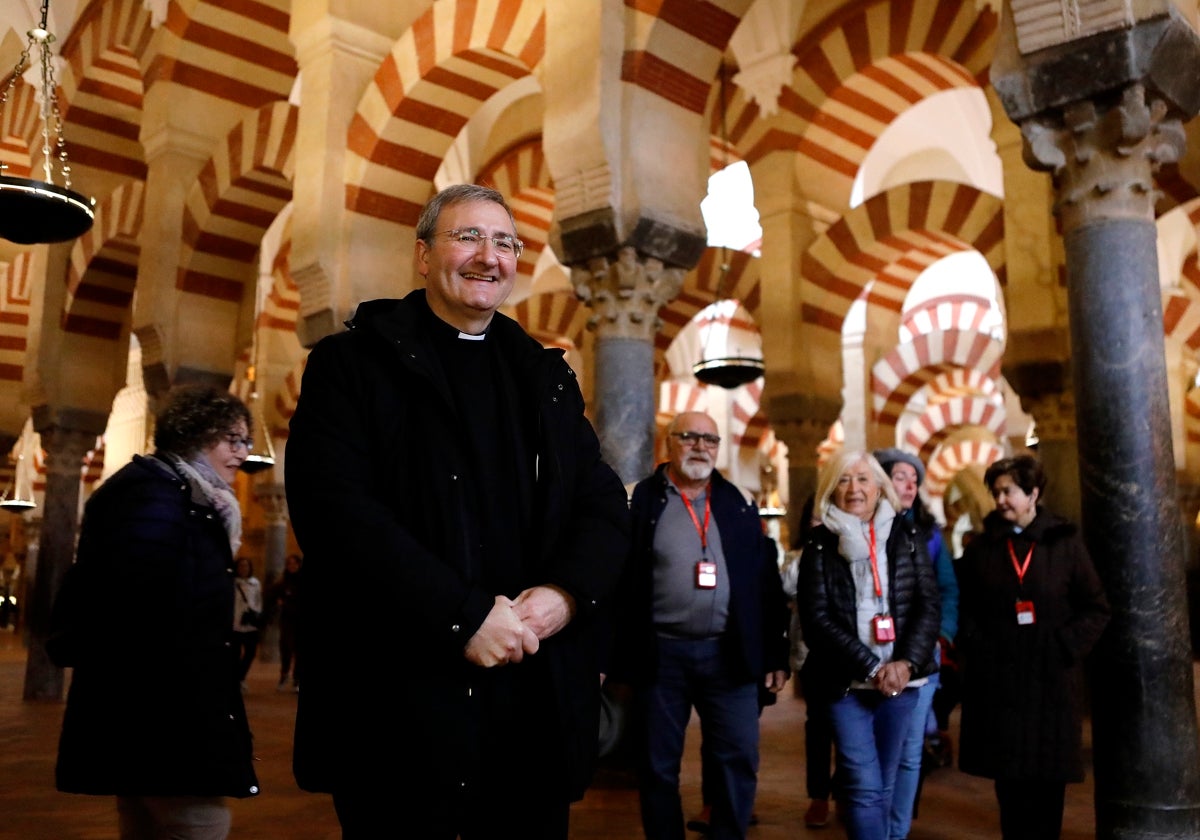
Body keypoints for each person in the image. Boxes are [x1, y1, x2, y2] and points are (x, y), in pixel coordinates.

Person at [284, 183, 630, 838]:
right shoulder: (352, 364)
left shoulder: (543, 376)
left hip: (529, 701)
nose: (487, 257)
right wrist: (462, 615)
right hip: (401, 703)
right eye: (467, 236)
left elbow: (603, 503)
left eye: (504, 242)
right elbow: (335, 511)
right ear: (423, 255)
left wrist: (565, 595)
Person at [47, 384, 259, 839]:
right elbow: (137, 601)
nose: (243, 452)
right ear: (194, 434)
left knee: (149, 821)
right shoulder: (160, 497)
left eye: (247, 441)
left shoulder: (184, 495)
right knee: (197, 821)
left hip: (156, 706)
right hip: (163, 708)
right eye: (233, 439)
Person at [608, 410, 790, 840]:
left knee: (739, 758)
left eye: (710, 439)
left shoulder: (740, 502)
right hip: (661, 656)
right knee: (656, 765)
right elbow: (616, 584)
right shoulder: (640, 500)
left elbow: (767, 585)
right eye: (689, 437)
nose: (700, 447)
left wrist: (776, 653)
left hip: (730, 654)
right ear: (668, 443)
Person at [956, 455, 1110, 840]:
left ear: (1033, 493)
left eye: (1008, 491)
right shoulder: (982, 548)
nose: (1001, 499)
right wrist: (979, 647)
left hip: (1050, 681)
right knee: (1009, 784)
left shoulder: (1064, 543)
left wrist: (1062, 647)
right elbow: (966, 609)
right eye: (996, 492)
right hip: (1001, 682)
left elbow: (1096, 607)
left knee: (1047, 781)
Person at [797, 449, 940, 840]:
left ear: (879, 488)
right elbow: (817, 621)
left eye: (863, 479)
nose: (854, 488)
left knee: (887, 784)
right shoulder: (821, 544)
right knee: (862, 787)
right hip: (846, 685)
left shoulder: (908, 535)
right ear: (831, 489)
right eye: (844, 479)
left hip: (903, 683)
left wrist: (906, 663)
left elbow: (928, 604)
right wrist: (873, 667)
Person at [873, 448, 959, 840]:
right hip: (871, 654)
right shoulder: (864, 524)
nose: (909, 485)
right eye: (901, 476)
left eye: (914, 479)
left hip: (920, 654)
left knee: (909, 753)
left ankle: (897, 831)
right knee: (874, 751)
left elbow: (948, 590)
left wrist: (940, 635)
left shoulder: (929, 534)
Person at [268, 553, 303, 692]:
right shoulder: (283, 582)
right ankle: (284, 675)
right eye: (289, 564)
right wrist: (279, 602)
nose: (292, 566)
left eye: (294, 563)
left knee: (300, 651)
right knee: (286, 648)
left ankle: (297, 679)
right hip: (287, 620)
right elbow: (271, 595)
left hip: (301, 621)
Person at [232, 556, 264, 692]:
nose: (243, 568)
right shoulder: (232, 582)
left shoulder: (255, 582)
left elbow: (259, 600)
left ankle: (240, 677)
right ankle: (236, 679)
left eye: (246, 565)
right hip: (235, 624)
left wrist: (256, 613)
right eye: (241, 565)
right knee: (234, 653)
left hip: (250, 624)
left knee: (250, 653)